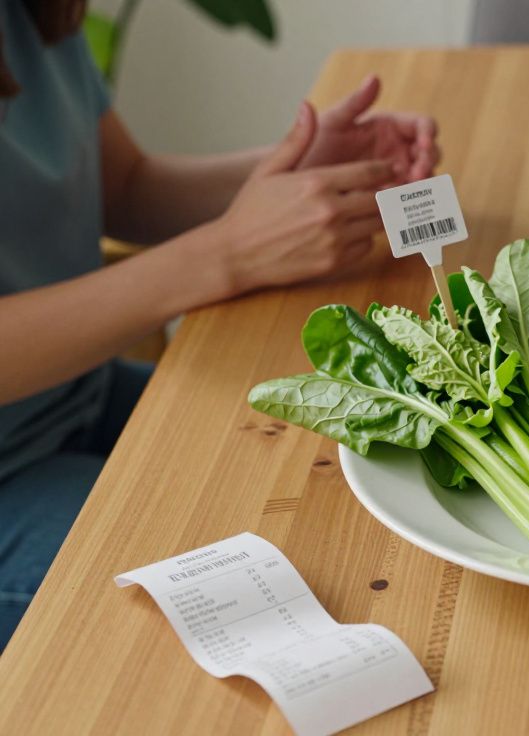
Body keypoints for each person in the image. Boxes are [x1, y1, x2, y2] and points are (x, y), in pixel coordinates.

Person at [0, 0, 439, 648]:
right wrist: (227, 255)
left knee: (331, 484)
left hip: (73, 395)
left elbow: (126, 186)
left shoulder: (29, 15)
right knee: (249, 600)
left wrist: (302, 169)